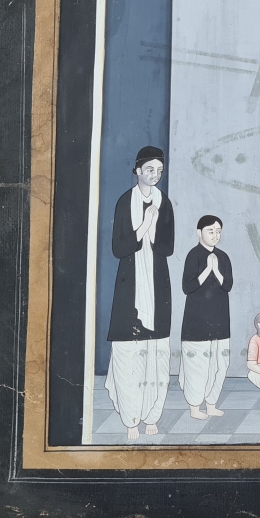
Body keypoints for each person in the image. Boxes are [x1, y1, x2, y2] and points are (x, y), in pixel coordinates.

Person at [105, 145, 175, 441]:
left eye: (159, 171)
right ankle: (131, 418)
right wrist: (144, 225)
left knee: (157, 356)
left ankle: (152, 415)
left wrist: (155, 226)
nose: (155, 175)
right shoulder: (125, 201)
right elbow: (118, 248)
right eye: (149, 170)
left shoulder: (164, 203)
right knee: (128, 355)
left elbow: (167, 248)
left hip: (157, 286)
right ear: (137, 171)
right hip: (130, 287)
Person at [179, 214, 233, 420]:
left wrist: (216, 270)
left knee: (220, 364)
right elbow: (187, 287)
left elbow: (228, 285)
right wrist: (207, 270)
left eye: (218, 231)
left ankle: (211, 404)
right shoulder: (193, 255)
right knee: (197, 367)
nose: (215, 235)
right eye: (211, 231)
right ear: (199, 232)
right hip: (197, 322)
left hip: (220, 320)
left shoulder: (223, 257)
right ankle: (195, 407)